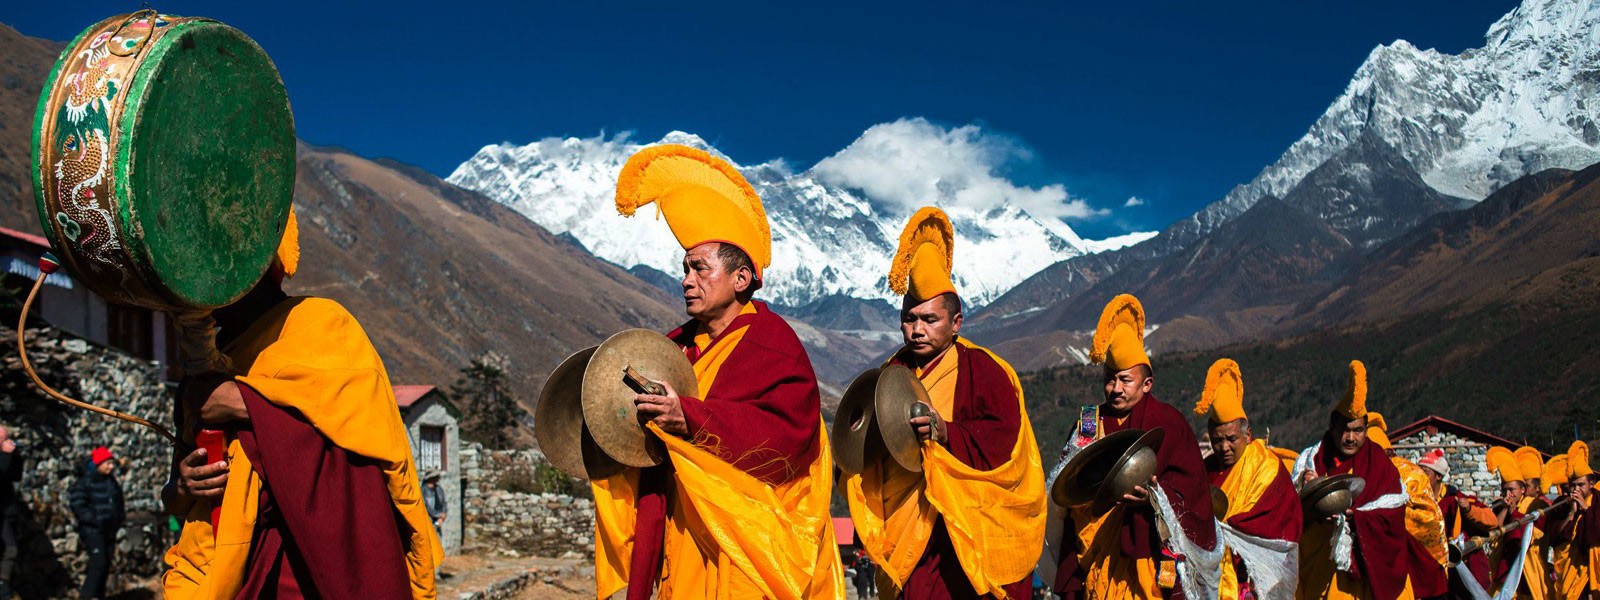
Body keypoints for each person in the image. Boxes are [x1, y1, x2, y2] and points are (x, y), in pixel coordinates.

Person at [592, 144, 843, 599]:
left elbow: (789, 440)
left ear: (741, 279)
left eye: (700, 268)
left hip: (746, 545)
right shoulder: (674, 346)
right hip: (680, 533)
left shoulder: (773, 345)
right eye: (685, 268)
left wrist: (690, 417)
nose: (686, 280)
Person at [160, 209, 442, 598]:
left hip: (306, 574)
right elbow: (174, 500)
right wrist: (186, 485)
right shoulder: (204, 367)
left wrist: (246, 405)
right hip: (222, 577)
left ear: (269, 264)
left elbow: (361, 462)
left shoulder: (320, 326)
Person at [843, 207, 1045, 599]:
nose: (916, 330)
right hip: (908, 531)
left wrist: (947, 432)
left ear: (956, 323)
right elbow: (866, 448)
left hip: (964, 534)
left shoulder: (984, 370)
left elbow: (1006, 442)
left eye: (930, 319)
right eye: (909, 318)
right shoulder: (891, 371)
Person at [1046, 293, 1220, 599]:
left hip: (1150, 556)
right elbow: (1068, 482)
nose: (1115, 389)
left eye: (1125, 380)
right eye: (1109, 379)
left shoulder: (1168, 422)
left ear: (1147, 383)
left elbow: (1193, 491)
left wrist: (1156, 496)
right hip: (1097, 553)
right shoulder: (1089, 421)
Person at [1290, 360, 1437, 600]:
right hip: (1319, 573)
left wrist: (1356, 516)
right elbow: (1293, 514)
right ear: (1331, 427)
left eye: (1357, 430)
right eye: (1344, 430)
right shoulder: (1311, 459)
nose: (1350, 438)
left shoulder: (1379, 464)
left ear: (1366, 429)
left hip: (1367, 579)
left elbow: (1392, 518)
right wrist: (1307, 490)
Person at [1196, 359, 1303, 599]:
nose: (1223, 447)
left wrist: (1228, 530)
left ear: (1248, 435)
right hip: (1217, 576)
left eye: (1231, 439)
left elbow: (1279, 522)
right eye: (1217, 440)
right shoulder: (1207, 469)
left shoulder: (1266, 468)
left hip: (1254, 580)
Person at [1366, 415, 1448, 598]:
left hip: (1412, 557)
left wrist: (1387, 516)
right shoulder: (1371, 471)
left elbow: (1429, 518)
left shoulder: (1408, 473)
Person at [69, 446, 124, 600]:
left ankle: (98, 595)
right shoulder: (85, 482)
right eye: (107, 463)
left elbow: (118, 501)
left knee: (106, 565)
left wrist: (119, 518)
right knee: (99, 563)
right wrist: (95, 520)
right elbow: (78, 504)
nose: (111, 467)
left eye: (112, 463)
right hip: (93, 530)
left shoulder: (110, 481)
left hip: (109, 529)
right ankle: (87, 596)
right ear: (98, 463)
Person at [0, 426, 21, 600]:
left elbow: (15, 475)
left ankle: (3, 585)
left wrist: (13, 455)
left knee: (10, 550)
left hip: (5, 511)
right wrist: (6, 456)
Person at [423, 471, 447, 539]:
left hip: (438, 521)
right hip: (429, 522)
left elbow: (444, 503)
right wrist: (439, 515)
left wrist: (442, 516)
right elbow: (426, 507)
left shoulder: (438, 489)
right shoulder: (423, 490)